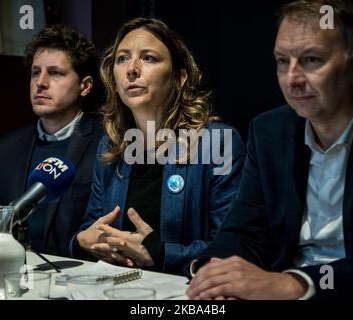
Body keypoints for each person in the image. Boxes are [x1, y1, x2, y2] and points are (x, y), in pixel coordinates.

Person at [187, 0, 353, 299]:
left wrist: (297, 283)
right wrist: (215, 271)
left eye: (312, 59)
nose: (292, 79)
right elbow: (243, 231)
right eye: (281, 61)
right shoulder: (268, 132)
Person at [70, 17, 245, 275]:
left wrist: (161, 253)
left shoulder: (217, 143)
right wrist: (80, 242)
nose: (132, 69)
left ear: (179, 77)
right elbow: (92, 229)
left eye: (148, 58)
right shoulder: (111, 146)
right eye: (122, 59)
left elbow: (232, 248)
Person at [0, 25, 104, 257]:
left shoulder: (105, 147)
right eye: (35, 72)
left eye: (55, 73)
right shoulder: (5, 147)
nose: (41, 82)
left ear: (85, 86)